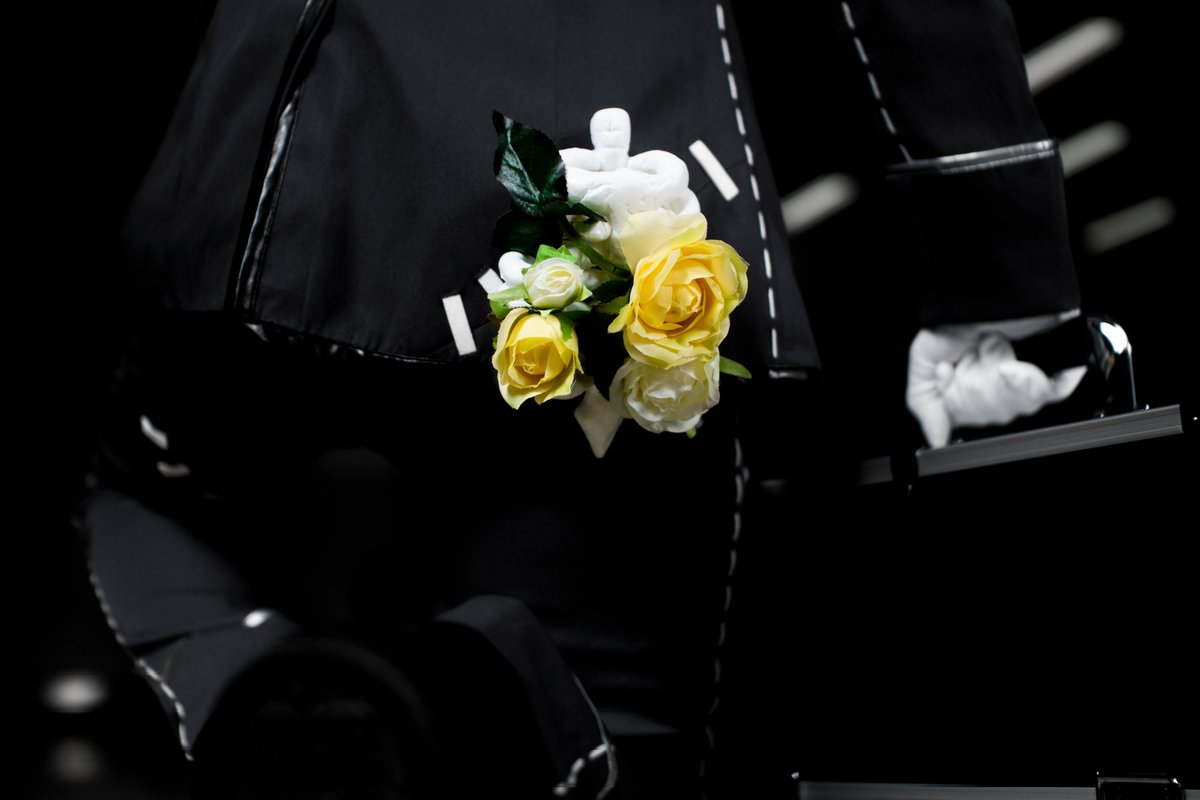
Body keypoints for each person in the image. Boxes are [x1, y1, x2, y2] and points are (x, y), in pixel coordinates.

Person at [79, 2, 1091, 797]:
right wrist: (995, 260)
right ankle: (435, 711)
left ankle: (333, 721)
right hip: (592, 196)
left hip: (243, 198)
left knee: (157, 519)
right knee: (604, 730)